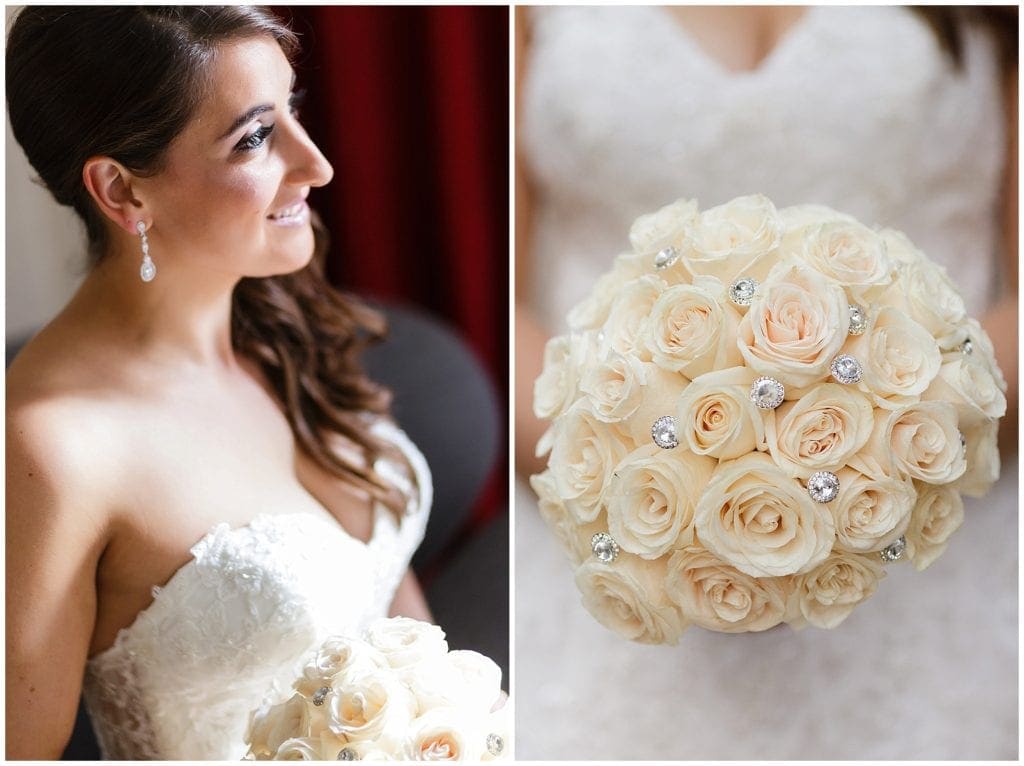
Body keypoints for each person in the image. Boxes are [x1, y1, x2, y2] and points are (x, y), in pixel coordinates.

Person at [515, 5, 1016, 759]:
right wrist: (640, 499)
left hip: (944, 546)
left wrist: (874, 483)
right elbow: (512, 299)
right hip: (610, 552)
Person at [6, 7, 435, 759]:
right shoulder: (53, 447)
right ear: (120, 190)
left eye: (292, 108)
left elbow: (399, 623)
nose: (317, 164)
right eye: (256, 138)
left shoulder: (281, 311)